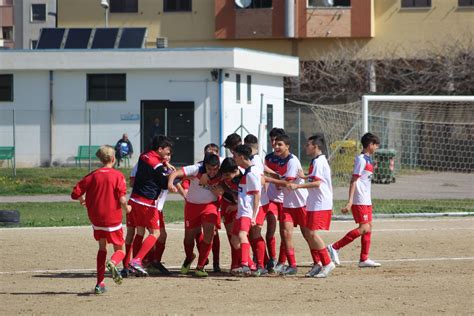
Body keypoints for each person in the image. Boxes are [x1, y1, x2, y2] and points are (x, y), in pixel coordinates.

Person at [71, 145, 131, 294]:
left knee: (102, 247)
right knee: (120, 250)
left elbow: (75, 192)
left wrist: (81, 198)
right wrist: (127, 208)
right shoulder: (117, 176)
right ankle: (113, 263)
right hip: (112, 219)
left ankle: (100, 283)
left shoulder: (92, 175)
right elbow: (122, 198)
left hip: (96, 220)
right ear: (112, 159)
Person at [327, 132, 381, 268]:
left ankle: (364, 259)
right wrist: (350, 202)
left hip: (366, 200)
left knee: (369, 228)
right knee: (364, 228)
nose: (377, 148)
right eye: (376, 145)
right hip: (359, 200)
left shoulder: (368, 160)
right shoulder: (361, 159)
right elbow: (353, 180)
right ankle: (334, 247)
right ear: (370, 145)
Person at [288, 134, 335, 278]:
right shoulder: (317, 161)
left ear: (316, 146)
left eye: (308, 145)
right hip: (314, 202)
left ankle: (327, 262)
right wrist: (305, 177)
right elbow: (316, 178)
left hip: (320, 203)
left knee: (312, 233)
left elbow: (317, 183)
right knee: (309, 233)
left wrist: (298, 186)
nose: (305, 147)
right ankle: (318, 264)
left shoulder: (319, 162)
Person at [168, 153, 221, 277]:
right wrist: (170, 183)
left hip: (210, 205)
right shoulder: (196, 168)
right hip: (192, 206)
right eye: (209, 169)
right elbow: (175, 173)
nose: (212, 172)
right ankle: (189, 256)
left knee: (209, 233)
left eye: (215, 169)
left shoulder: (222, 168)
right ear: (204, 165)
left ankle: (200, 265)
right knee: (188, 238)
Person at [127, 135, 173, 276]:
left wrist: (165, 164)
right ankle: (137, 261)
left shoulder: (144, 156)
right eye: (167, 151)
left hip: (134, 200)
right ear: (160, 149)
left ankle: (131, 265)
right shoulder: (157, 165)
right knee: (156, 233)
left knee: (139, 231)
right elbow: (164, 183)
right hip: (147, 203)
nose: (168, 154)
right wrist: (172, 179)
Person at [265, 134, 308, 276]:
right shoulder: (278, 160)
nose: (276, 146)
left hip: (300, 202)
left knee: (308, 234)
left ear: (287, 146)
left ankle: (321, 262)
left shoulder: (292, 160)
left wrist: (270, 178)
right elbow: (282, 181)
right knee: (284, 232)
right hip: (288, 203)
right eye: (275, 143)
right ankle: (290, 265)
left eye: (280, 144)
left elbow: (288, 183)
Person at [230, 144, 261, 276]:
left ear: (242, 157)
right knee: (234, 238)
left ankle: (244, 264)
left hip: (247, 213)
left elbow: (257, 195)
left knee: (242, 235)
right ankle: (252, 266)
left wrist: (253, 216)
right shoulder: (246, 172)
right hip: (241, 211)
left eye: (235, 156)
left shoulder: (252, 173)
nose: (234, 158)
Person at [264, 127, 288, 273]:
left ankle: (282, 261)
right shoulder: (268, 158)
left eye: (276, 140)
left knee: (285, 232)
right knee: (270, 231)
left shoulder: (289, 159)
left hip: (286, 200)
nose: (274, 143)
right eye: (271, 140)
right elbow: (266, 179)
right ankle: (271, 259)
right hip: (272, 199)